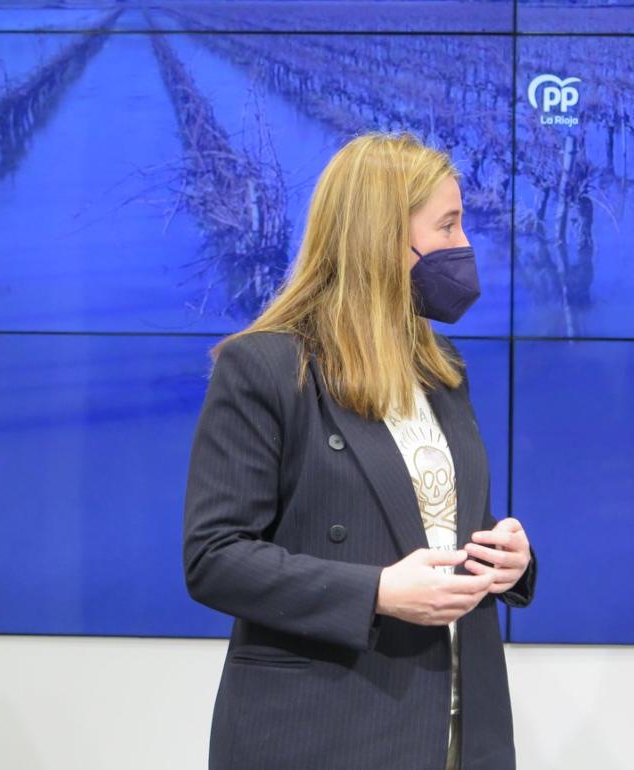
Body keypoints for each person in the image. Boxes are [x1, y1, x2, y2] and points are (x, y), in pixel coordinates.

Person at [183, 132, 535, 770]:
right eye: (448, 225)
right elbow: (215, 556)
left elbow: (436, 522)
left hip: (460, 726)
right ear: (380, 238)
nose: (464, 246)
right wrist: (375, 591)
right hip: (328, 729)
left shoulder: (443, 367)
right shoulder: (264, 367)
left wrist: (507, 558)